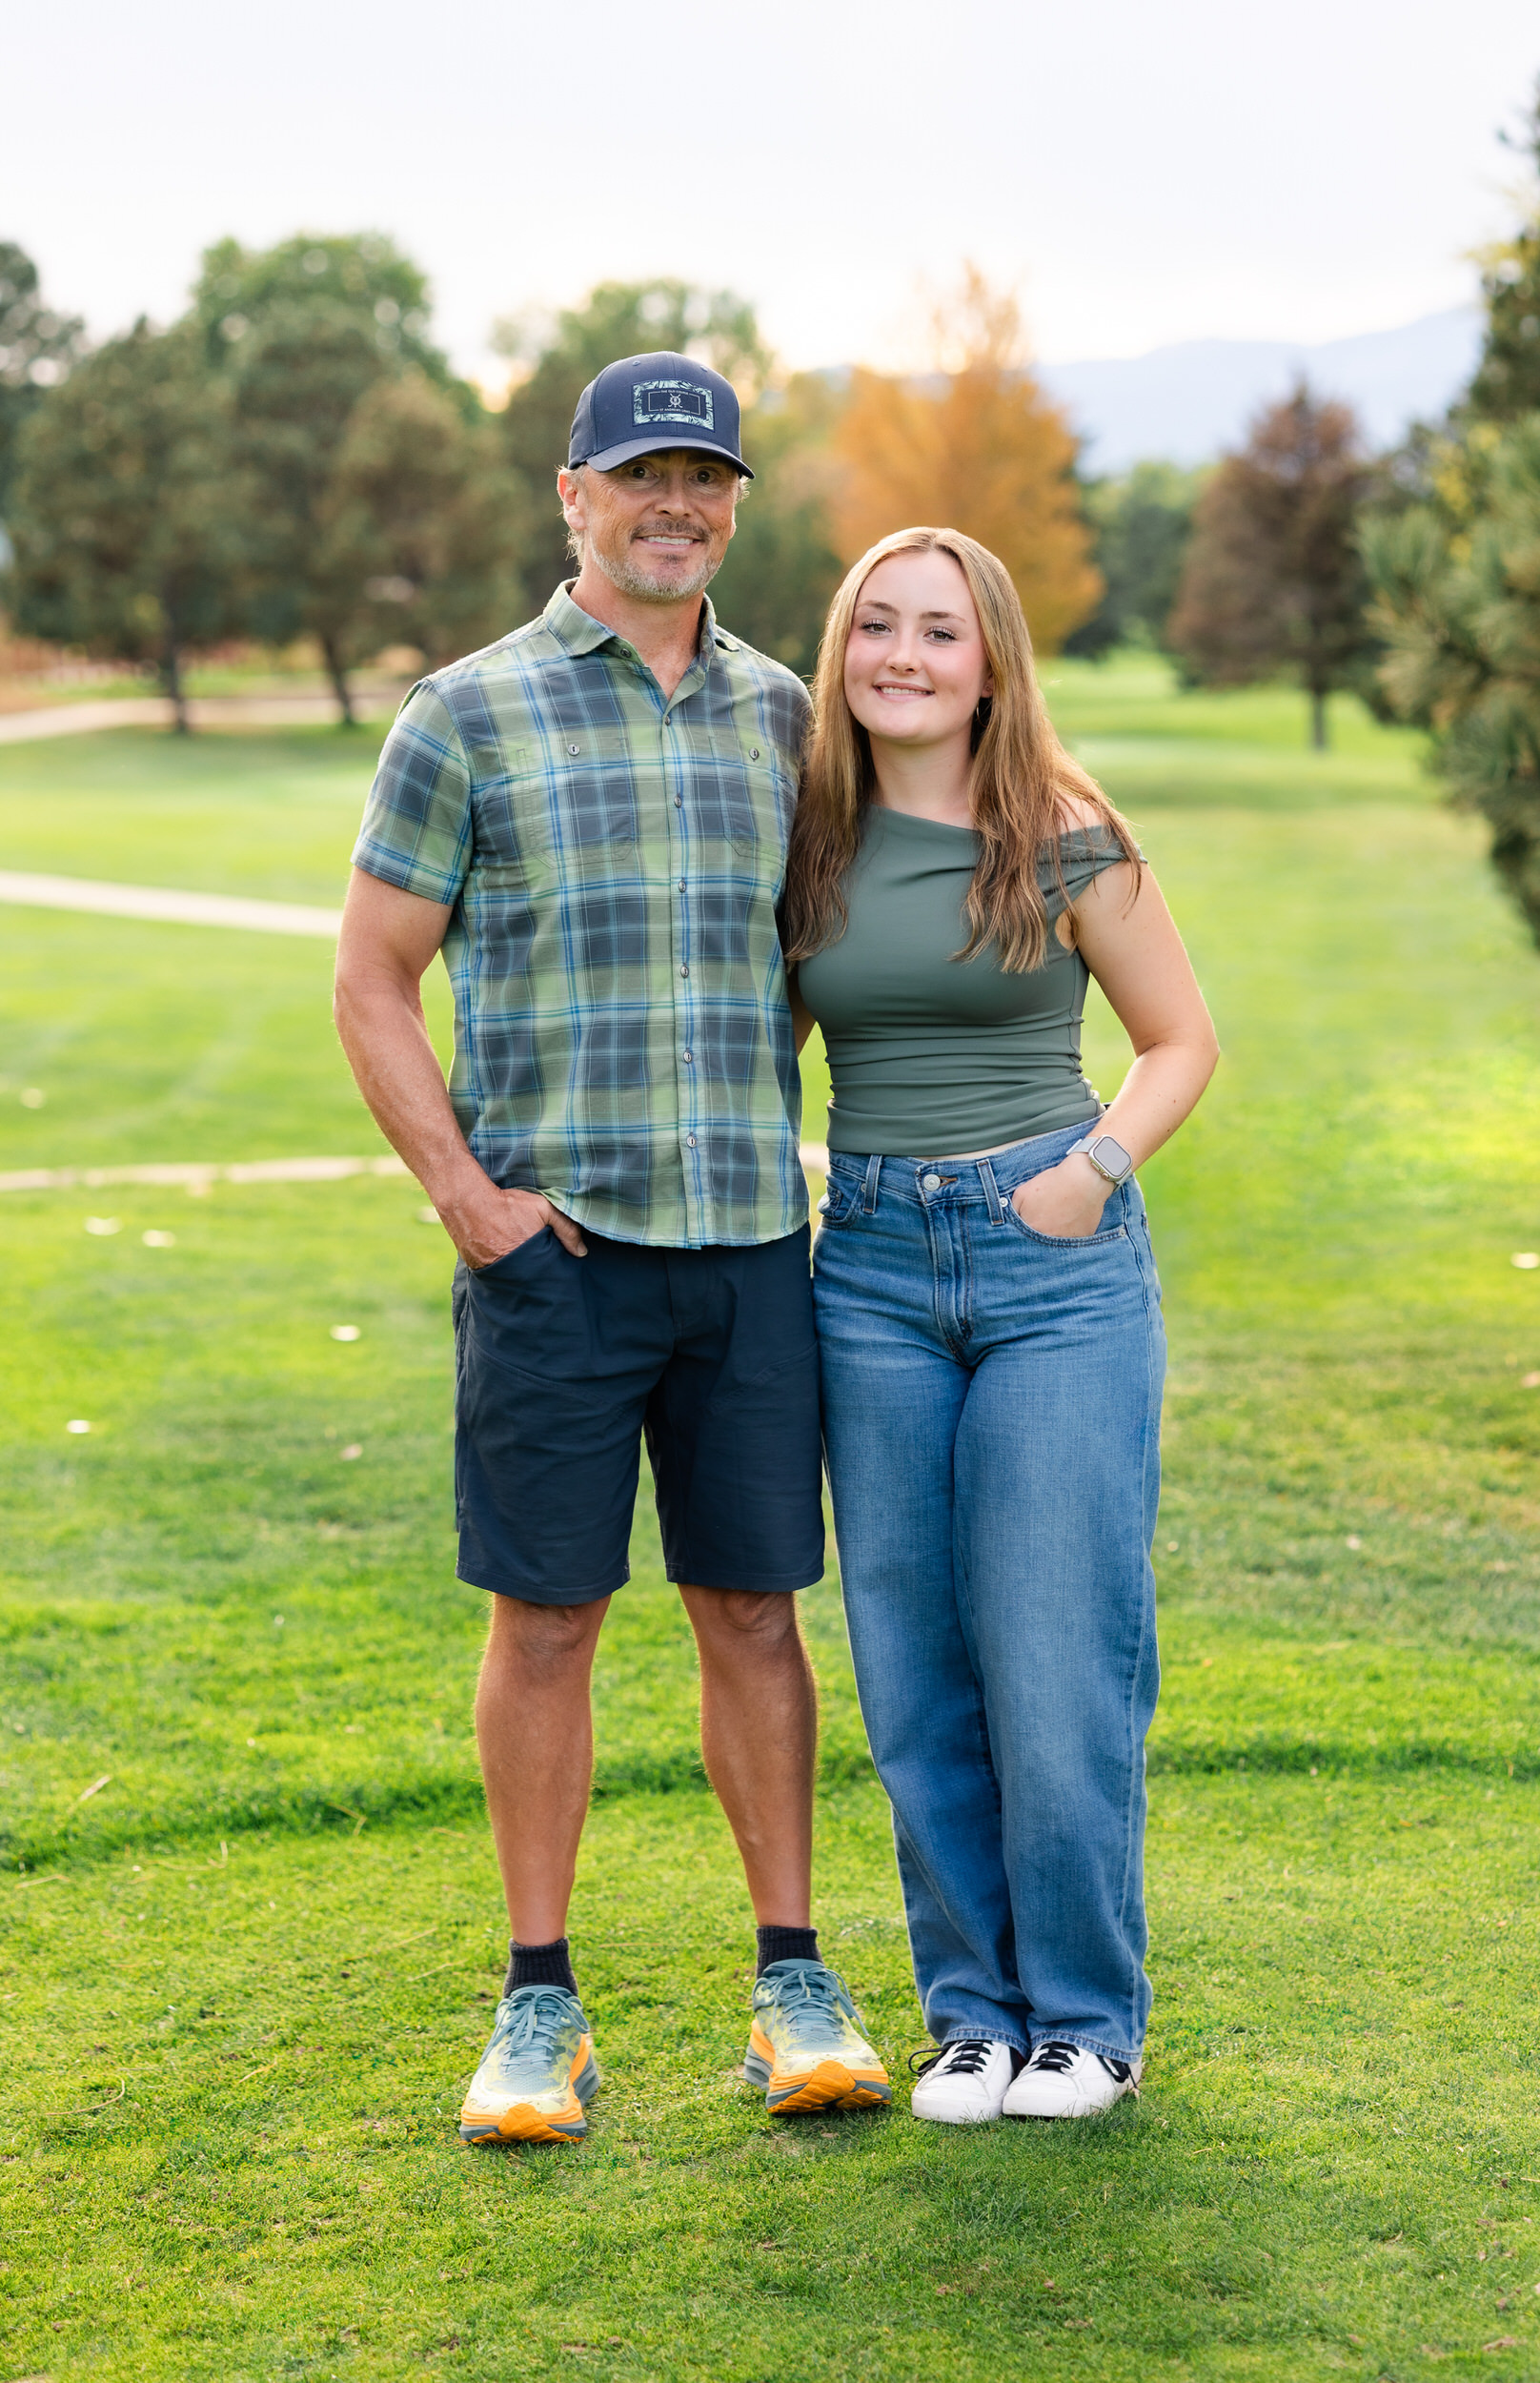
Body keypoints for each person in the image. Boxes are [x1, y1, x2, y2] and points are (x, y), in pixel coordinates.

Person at [334, 352, 888, 2148]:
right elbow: (369, 979)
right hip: (553, 1259)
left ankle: (792, 1981)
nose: (676, 506)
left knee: (753, 1606)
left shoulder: (795, 720)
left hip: (747, 1252)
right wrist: (472, 1206)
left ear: (735, 503)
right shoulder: (463, 713)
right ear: (570, 494)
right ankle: (538, 2007)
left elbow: (846, 964)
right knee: (550, 1618)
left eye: (705, 479)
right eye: (639, 475)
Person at [783, 526, 1218, 2124]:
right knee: (912, 1658)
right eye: (875, 626)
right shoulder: (810, 834)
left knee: (1054, 1650)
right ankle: (972, 2012)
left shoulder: (1061, 830)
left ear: (990, 662)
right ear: (843, 650)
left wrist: (1091, 1172)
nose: (902, 655)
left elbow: (1179, 1041)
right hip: (875, 1272)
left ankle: (1088, 2020)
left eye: (939, 633)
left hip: (1055, 1265)